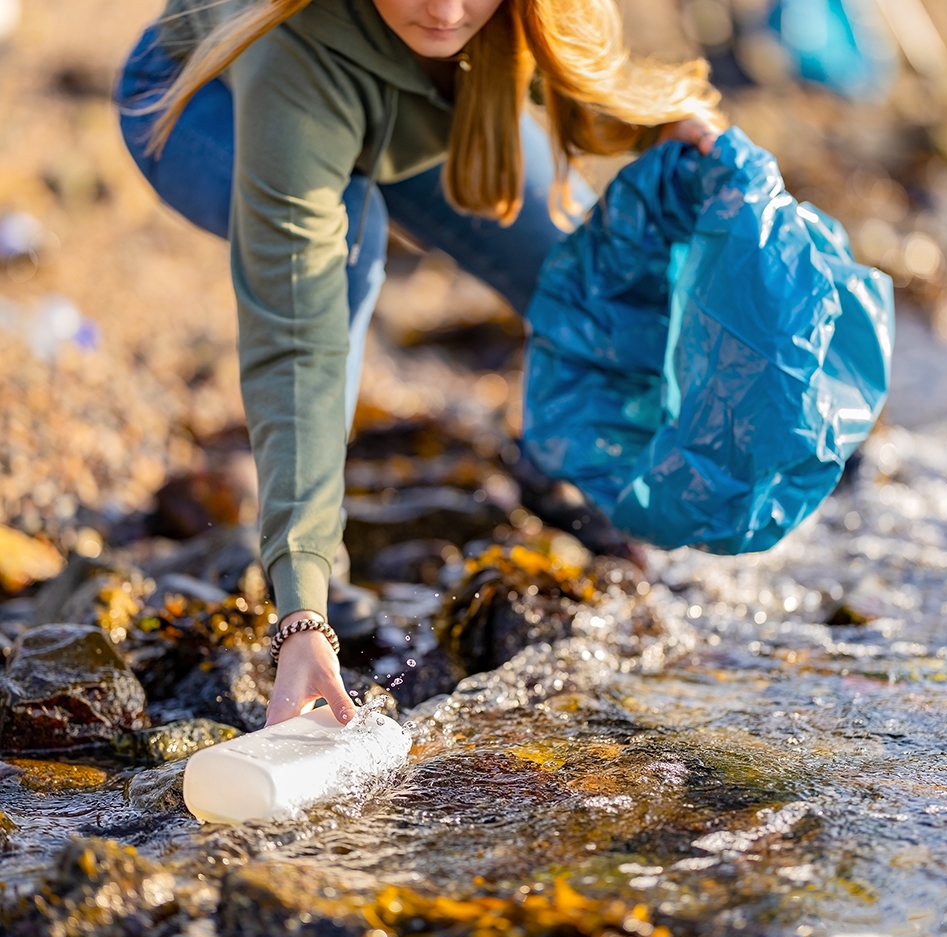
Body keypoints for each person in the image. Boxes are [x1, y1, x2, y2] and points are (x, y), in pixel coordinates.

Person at [113, 0, 722, 728]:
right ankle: (318, 572)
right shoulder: (296, 57)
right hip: (199, 97)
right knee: (353, 235)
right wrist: (302, 615)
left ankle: (594, 476)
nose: (444, 9)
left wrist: (665, 126)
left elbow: (581, 78)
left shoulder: (491, 17)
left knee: (582, 275)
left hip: (416, 106)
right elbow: (298, 344)